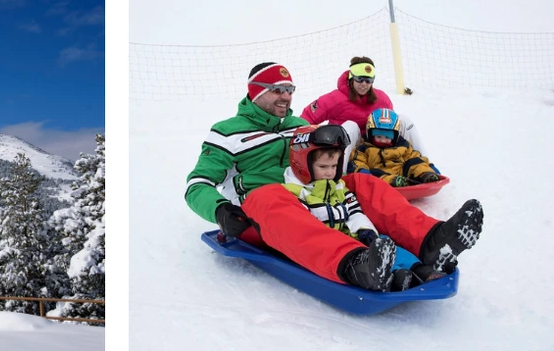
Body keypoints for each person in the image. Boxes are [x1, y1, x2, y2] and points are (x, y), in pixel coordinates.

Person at [185, 61, 484, 291]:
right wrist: (220, 210)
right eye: (278, 90)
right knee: (269, 195)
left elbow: (325, 161)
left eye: (290, 90)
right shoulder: (227, 132)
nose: (286, 96)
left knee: (361, 183)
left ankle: (432, 241)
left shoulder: (299, 124)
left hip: (312, 198)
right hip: (258, 215)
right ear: (256, 92)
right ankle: (357, 264)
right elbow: (197, 184)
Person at [285, 123, 442, 290]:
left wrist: (364, 230)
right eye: (323, 167)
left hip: (350, 235)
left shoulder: (338, 187)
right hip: (332, 246)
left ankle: (418, 269)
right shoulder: (297, 194)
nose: (330, 173)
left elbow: (354, 211)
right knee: (365, 254)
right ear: (301, 165)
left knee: (383, 242)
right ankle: (394, 277)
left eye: (334, 166)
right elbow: (305, 228)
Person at [300, 57, 427, 158]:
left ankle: (424, 164)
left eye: (368, 80)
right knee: (351, 126)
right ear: (351, 78)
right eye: (359, 79)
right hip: (347, 151)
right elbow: (307, 118)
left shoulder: (381, 98)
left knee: (403, 120)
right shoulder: (335, 99)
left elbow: (392, 127)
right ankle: (340, 175)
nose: (364, 84)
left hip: (377, 145)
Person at [349, 108, 440, 187]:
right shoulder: (364, 148)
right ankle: (394, 182)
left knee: (414, 162)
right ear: (370, 134)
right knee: (374, 173)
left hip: (402, 173)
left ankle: (426, 175)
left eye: (387, 137)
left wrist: (429, 165)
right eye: (379, 137)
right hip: (381, 176)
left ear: (395, 136)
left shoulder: (402, 145)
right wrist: (363, 171)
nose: (383, 140)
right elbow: (357, 161)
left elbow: (414, 156)